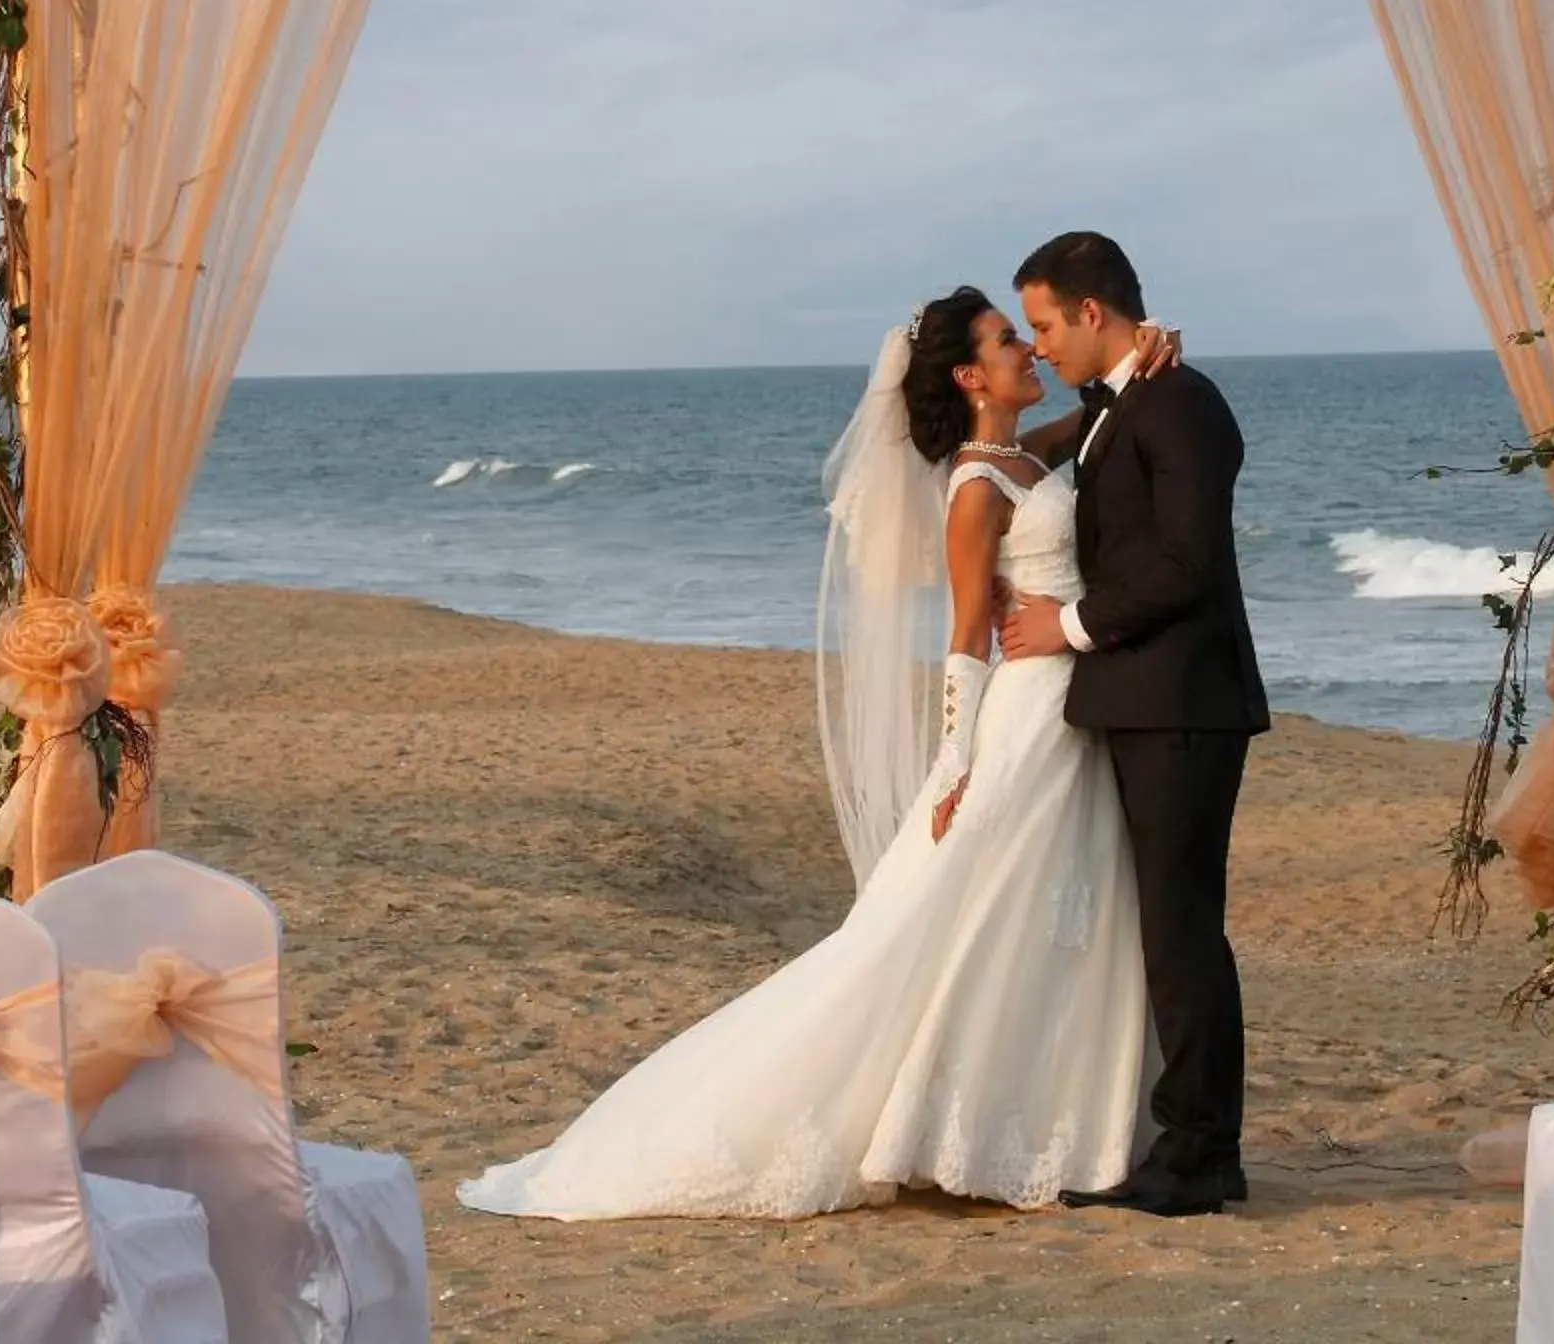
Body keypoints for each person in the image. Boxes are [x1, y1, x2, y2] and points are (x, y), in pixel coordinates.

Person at [456, 287, 1173, 1218]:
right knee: (971, 911)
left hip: (1069, 707)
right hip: (1024, 713)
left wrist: (1138, 360)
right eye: (1008, 342)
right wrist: (955, 764)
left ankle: (1058, 1120)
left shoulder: (1022, 460)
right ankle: (947, 1126)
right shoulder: (974, 487)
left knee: (1052, 908)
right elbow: (963, 637)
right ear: (968, 375)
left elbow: (1091, 423)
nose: (1028, 353)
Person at [1000, 231, 1267, 1218]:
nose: (1037, 345)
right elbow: (1046, 449)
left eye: (1043, 324)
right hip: (1143, 700)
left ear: (1093, 313)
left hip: (1184, 703)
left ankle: (1201, 1153)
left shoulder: (1182, 402)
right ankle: (1187, 1136)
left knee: (1183, 926)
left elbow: (1190, 561)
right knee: (1165, 925)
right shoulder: (1123, 403)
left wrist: (1064, 624)